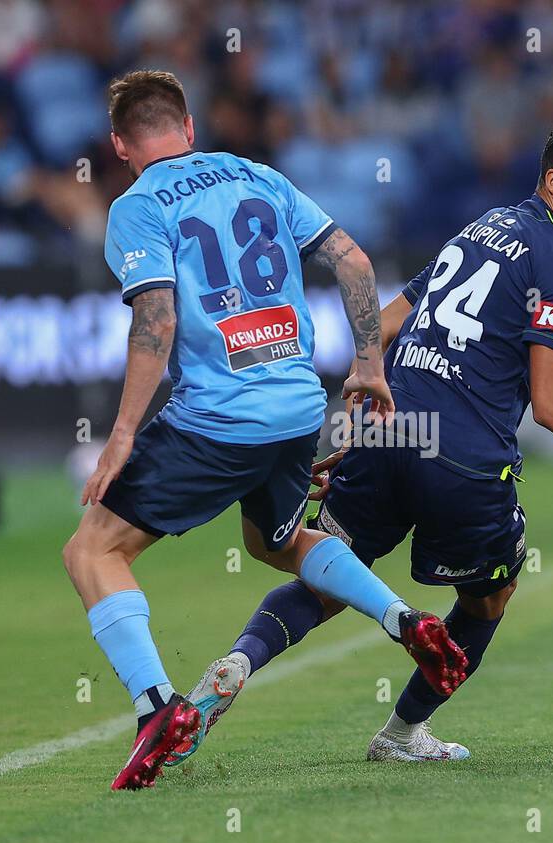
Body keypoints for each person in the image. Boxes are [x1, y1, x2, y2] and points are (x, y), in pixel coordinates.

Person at [188, 121, 553, 761]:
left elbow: (388, 320)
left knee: (328, 574)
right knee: (489, 595)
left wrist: (347, 413)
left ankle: (238, 664)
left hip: (388, 432)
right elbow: (552, 406)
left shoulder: (482, 226)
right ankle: (402, 734)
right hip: (464, 459)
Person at [60, 71, 466, 791]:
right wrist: (369, 364)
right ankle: (405, 619)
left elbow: (156, 319)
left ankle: (158, 709)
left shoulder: (137, 205)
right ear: (188, 126)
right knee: (275, 542)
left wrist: (122, 434)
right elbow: (355, 261)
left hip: (221, 416)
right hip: (298, 404)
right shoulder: (259, 176)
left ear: (121, 143)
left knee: (92, 549)